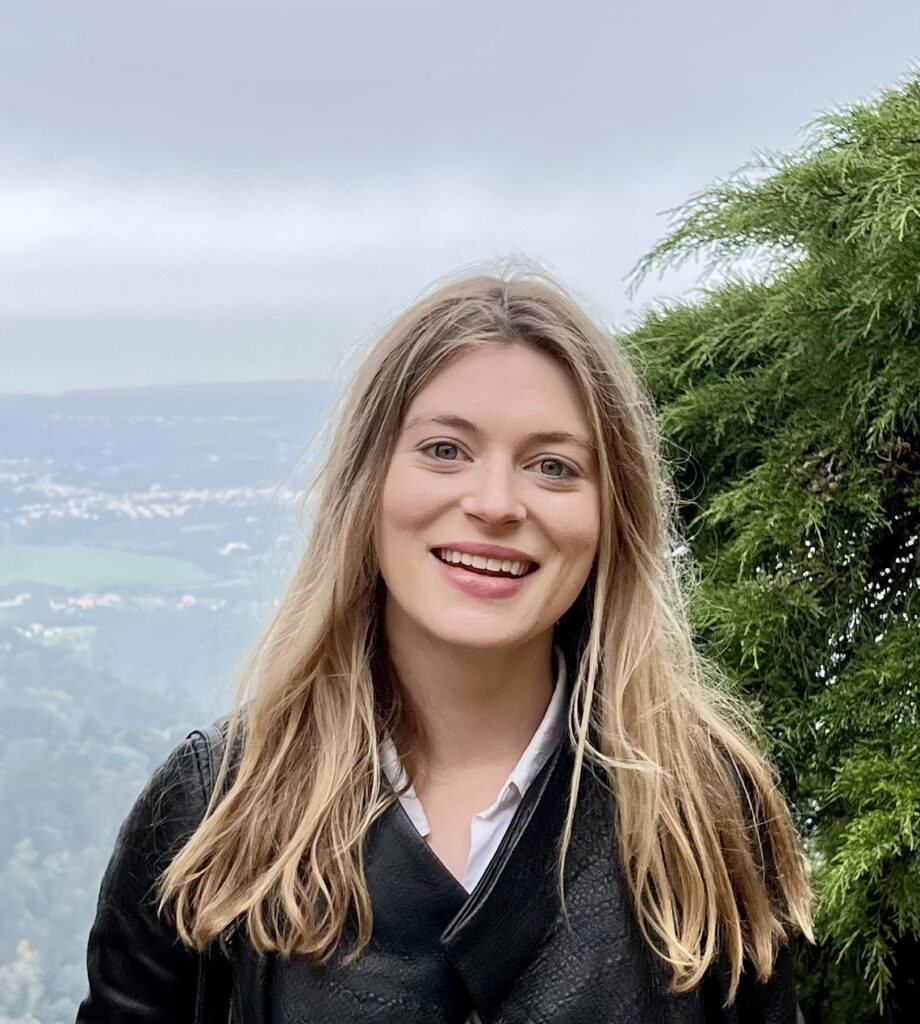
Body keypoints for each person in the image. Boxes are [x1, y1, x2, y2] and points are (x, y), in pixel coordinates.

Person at [76, 267, 813, 1023]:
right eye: (445, 450)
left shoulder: (707, 812)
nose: (494, 504)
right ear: (368, 486)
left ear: (610, 516)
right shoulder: (214, 811)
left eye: (553, 467)